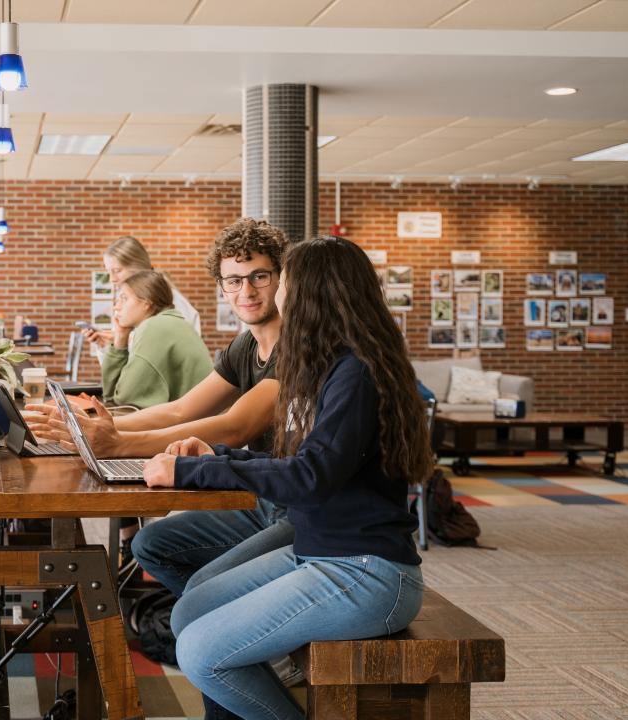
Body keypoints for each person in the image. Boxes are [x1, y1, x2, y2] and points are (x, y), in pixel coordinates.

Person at [141, 235, 432, 719]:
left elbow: (309, 477)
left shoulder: (356, 373)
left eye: (284, 283)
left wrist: (198, 467)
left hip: (366, 572)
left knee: (200, 654)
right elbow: (292, 459)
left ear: (312, 294)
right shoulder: (330, 365)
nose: (276, 295)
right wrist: (213, 454)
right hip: (321, 554)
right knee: (190, 611)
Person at [30, 219, 294, 590]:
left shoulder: (299, 347)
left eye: (259, 276)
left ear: (282, 278)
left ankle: (225, 619)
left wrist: (117, 443)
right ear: (222, 287)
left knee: (206, 587)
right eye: (233, 280)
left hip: (297, 507)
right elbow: (181, 409)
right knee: (150, 545)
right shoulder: (245, 345)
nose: (245, 290)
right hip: (265, 497)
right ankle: (219, 617)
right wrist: (90, 427)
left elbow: (236, 427)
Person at [101, 270, 211, 409]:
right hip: (195, 421)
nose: (116, 306)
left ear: (146, 303)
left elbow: (123, 401)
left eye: (124, 298)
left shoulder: (154, 327)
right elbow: (115, 399)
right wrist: (121, 336)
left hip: (192, 426)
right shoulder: (169, 322)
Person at [85, 236, 201, 357]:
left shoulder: (174, 302)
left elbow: (174, 352)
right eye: (108, 272)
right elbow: (117, 370)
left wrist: (125, 341)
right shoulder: (124, 303)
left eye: (117, 270)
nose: (112, 279)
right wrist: (106, 346)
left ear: (137, 268)